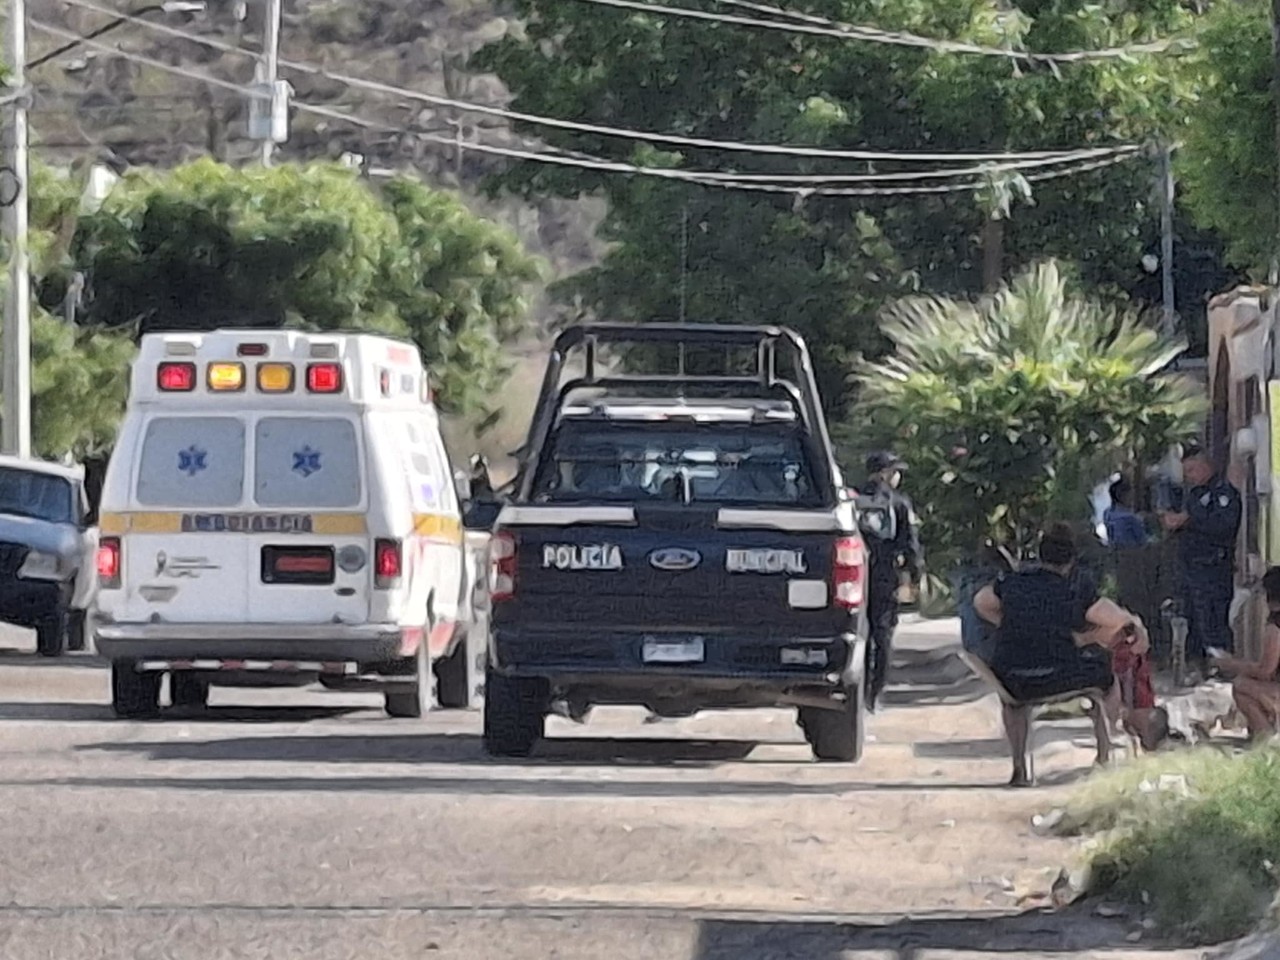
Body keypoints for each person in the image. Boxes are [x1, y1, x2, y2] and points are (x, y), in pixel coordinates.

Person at [974, 522, 1149, 787]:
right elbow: (1114, 620)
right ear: (1070, 563)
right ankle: (1104, 756)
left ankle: (1020, 767)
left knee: (1013, 703)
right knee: (1106, 679)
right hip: (1058, 675)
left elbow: (981, 602)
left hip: (1013, 679)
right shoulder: (1074, 590)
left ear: (1040, 557)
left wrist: (1013, 623)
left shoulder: (1011, 583)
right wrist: (1131, 625)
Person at [1160, 443, 1242, 676]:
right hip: (1191, 570)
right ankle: (1197, 665)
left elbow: (1224, 525)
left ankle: (1222, 667)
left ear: (1206, 466)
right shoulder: (1193, 495)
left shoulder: (1223, 493)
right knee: (1193, 620)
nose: (1189, 477)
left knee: (1213, 619)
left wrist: (1189, 520)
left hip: (1213, 569)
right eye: (1186, 472)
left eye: (1192, 471)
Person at [858, 451, 923, 712]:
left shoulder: (852, 499)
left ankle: (856, 688)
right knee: (882, 633)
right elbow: (910, 544)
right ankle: (874, 694)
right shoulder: (899, 503)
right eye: (895, 471)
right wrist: (914, 575)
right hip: (885, 574)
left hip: (854, 574)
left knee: (858, 631)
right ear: (885, 473)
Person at [1210, 565, 1280, 743]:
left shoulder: (1275, 626)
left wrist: (1230, 664)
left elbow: (1266, 671)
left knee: (1241, 685)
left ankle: (1266, 737)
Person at [1104, 477, 1147, 549]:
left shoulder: (1107, 513)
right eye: (1130, 494)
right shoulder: (1130, 519)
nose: (1131, 498)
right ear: (1122, 496)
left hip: (1114, 553)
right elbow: (1143, 542)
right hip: (1133, 555)